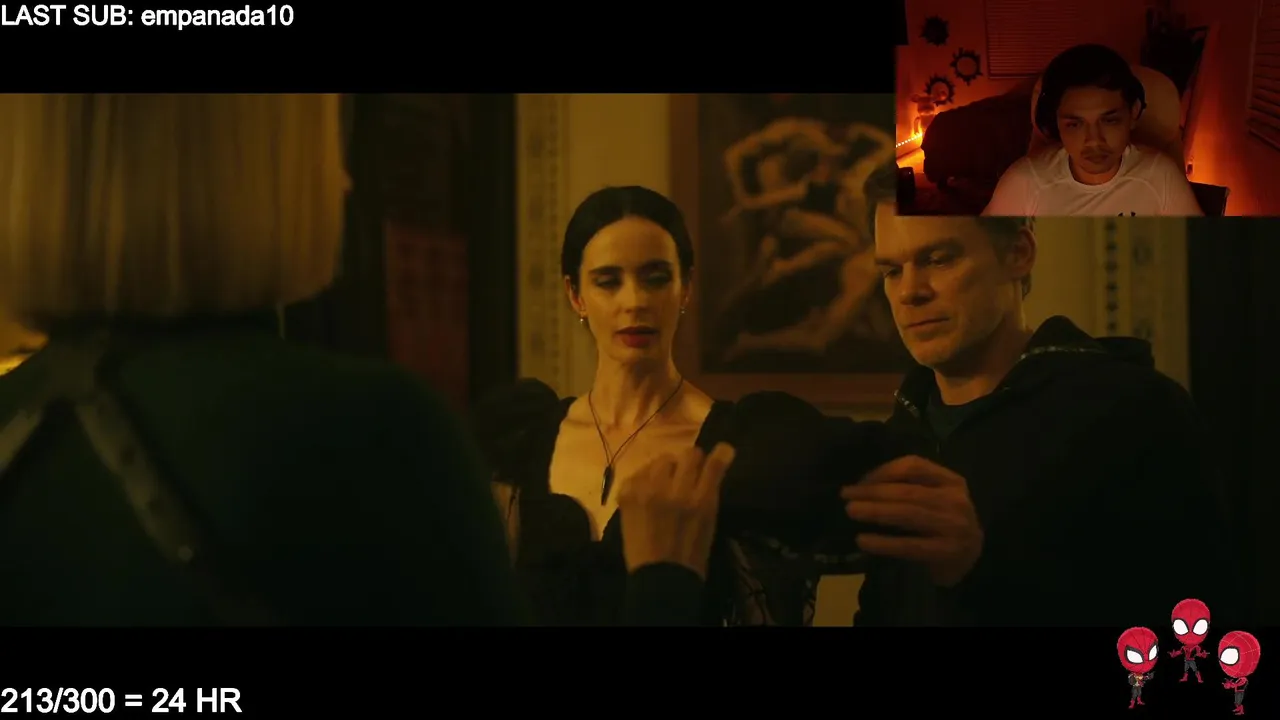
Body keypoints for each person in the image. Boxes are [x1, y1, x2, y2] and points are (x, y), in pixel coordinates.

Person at [0, 93, 720, 627]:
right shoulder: (372, 428)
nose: (344, 181)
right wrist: (663, 583)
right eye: (324, 144)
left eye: (656, 277)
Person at [473, 185, 983, 626]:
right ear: (576, 295)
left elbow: (920, 503)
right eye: (609, 281)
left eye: (656, 277)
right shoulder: (519, 438)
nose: (635, 301)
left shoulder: (752, 444)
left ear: (685, 287)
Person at [863, 200, 1240, 625]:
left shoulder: (1133, 411)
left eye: (938, 259)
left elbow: (1192, 624)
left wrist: (977, 570)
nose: (909, 292)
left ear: (1018, 254)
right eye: (891, 271)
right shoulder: (902, 434)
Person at [983, 44, 1203, 217]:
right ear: (1057, 123)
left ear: (1133, 113)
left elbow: (1201, 253)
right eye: (1075, 125)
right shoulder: (1025, 182)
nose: (1093, 140)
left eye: (1109, 121)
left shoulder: (1159, 176)